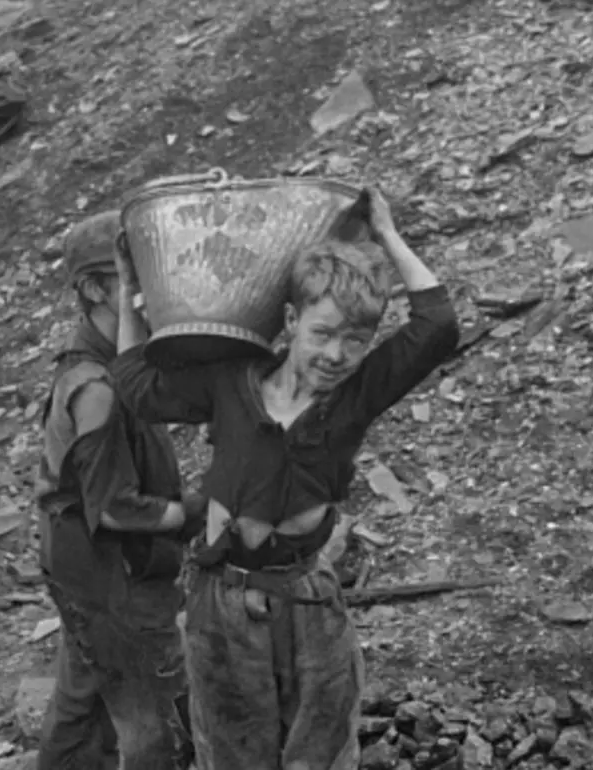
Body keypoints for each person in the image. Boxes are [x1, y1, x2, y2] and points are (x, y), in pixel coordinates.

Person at [110, 189, 460, 770]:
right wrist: (129, 296)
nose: (336, 354)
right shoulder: (232, 382)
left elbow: (438, 322)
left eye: (355, 340)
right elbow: (136, 386)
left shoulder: (356, 397)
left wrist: (386, 234)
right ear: (292, 321)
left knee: (318, 752)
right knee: (231, 751)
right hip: (220, 601)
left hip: (307, 602)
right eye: (322, 333)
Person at [35, 210, 202, 770]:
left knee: (84, 701)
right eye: (134, 279)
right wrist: (192, 513)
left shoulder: (116, 366)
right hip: (114, 582)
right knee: (156, 720)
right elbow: (112, 508)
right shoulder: (97, 388)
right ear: (93, 289)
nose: (154, 292)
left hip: (89, 575)